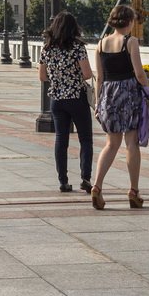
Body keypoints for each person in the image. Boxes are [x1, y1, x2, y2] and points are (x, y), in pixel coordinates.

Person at [91, 5, 149, 210]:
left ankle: (97, 186)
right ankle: (133, 191)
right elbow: (139, 73)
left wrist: (97, 102)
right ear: (129, 21)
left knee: (111, 144)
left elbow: (100, 77)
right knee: (131, 143)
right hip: (128, 93)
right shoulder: (130, 42)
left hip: (108, 95)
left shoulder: (101, 44)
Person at [38, 11, 95, 194]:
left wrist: (58, 79)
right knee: (85, 138)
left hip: (56, 100)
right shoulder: (77, 47)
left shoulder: (46, 48)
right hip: (76, 98)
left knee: (61, 139)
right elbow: (87, 74)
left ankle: (63, 181)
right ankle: (85, 178)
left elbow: (42, 76)